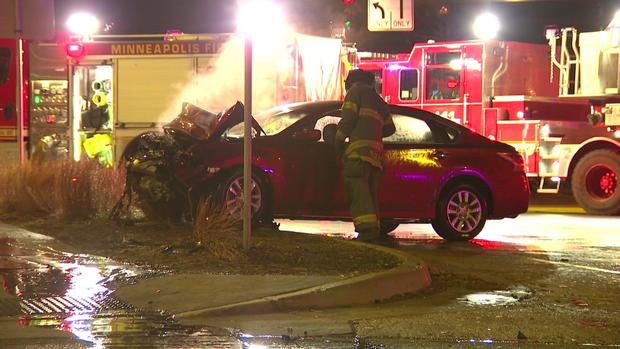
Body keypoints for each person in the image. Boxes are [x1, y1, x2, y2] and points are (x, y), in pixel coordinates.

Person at [334, 69, 396, 243]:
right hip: (376, 157)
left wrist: (338, 140)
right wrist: (372, 131)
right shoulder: (378, 100)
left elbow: (348, 119)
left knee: (358, 191)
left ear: (350, 83)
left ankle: (367, 231)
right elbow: (390, 128)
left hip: (358, 154)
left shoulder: (355, 92)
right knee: (370, 193)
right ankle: (373, 229)